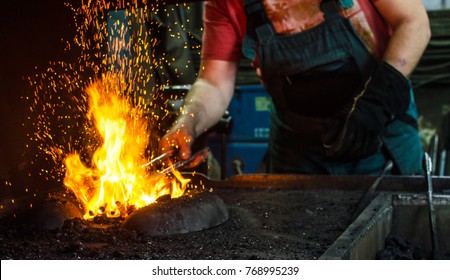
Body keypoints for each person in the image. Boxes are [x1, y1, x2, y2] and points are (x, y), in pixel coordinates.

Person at [158, 0, 431, 175]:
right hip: (298, 151)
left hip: (379, 134)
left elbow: (414, 23)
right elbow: (213, 83)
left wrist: (375, 105)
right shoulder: (226, 4)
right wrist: (187, 124)